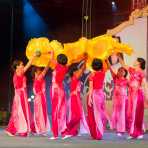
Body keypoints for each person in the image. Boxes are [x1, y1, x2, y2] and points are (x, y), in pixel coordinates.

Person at [5, 54, 37, 137]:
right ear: (17, 67)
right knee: (19, 113)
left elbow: (28, 65)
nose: (23, 66)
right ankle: (13, 130)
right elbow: (28, 64)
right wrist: (33, 56)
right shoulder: (19, 72)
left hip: (22, 94)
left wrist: (33, 57)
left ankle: (18, 129)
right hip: (19, 96)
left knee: (21, 112)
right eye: (21, 64)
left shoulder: (20, 72)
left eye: (23, 64)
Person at [119, 56, 147, 139]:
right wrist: (118, 55)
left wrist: (146, 97)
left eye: (136, 60)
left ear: (139, 63)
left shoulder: (142, 73)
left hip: (138, 95)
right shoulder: (132, 70)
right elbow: (123, 65)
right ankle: (134, 132)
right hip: (131, 95)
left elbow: (144, 85)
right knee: (131, 114)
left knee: (137, 114)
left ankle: (137, 133)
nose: (134, 61)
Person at [62, 63, 86, 139]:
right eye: (78, 71)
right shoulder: (75, 78)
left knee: (77, 115)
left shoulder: (76, 78)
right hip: (74, 98)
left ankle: (74, 130)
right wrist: (85, 60)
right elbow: (82, 69)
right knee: (77, 116)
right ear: (74, 72)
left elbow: (82, 70)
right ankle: (67, 127)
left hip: (77, 98)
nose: (80, 72)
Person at [32, 51, 53, 135]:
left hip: (40, 97)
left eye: (40, 70)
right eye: (39, 70)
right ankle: (40, 128)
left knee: (40, 112)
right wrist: (51, 57)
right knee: (39, 113)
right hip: (39, 98)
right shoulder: (39, 78)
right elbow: (47, 67)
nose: (41, 71)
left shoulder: (36, 79)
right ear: (35, 72)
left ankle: (41, 128)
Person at [87, 58, 107, 140]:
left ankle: (98, 134)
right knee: (101, 113)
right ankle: (100, 131)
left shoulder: (92, 74)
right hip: (101, 94)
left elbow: (91, 88)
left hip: (95, 95)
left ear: (93, 65)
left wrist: (89, 99)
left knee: (96, 115)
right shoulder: (103, 73)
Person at [49, 54, 68, 139]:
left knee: (55, 112)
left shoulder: (58, 67)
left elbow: (51, 59)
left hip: (56, 90)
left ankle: (55, 134)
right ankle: (64, 132)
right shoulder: (65, 67)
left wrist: (52, 52)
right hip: (61, 90)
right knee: (62, 111)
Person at [110, 66, 128, 136]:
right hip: (116, 98)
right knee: (115, 113)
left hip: (123, 98)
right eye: (119, 70)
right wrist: (107, 61)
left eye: (122, 71)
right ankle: (117, 128)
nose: (120, 72)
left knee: (121, 114)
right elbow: (111, 70)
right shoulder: (115, 78)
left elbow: (132, 88)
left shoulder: (126, 80)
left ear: (125, 73)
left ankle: (121, 130)